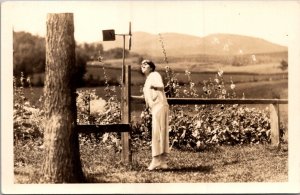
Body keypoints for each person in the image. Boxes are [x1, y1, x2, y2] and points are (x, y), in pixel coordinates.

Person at [140, 59, 170, 170]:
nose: (142, 65)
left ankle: (156, 159)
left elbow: (161, 87)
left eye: (145, 63)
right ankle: (162, 161)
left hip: (160, 106)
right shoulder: (148, 79)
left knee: (158, 132)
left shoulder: (154, 74)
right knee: (160, 132)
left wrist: (154, 87)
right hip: (157, 107)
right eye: (141, 64)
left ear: (151, 67)